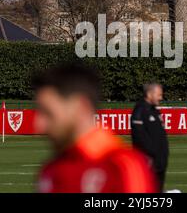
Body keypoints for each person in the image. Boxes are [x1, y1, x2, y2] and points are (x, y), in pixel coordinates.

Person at [33, 64, 156, 193]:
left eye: (48, 113)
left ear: (81, 107)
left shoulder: (122, 167)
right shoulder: (50, 169)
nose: (38, 126)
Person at [131, 83, 169, 192]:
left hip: (159, 163)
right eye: (159, 95)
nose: (161, 98)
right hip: (148, 163)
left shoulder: (155, 110)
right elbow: (140, 139)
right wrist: (152, 155)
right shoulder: (140, 111)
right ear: (149, 94)